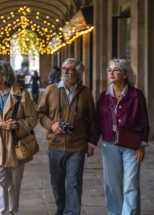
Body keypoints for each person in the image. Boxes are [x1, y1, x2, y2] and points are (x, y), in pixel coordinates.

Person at [89, 59, 150, 215]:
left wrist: (141, 145)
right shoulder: (104, 96)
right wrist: (92, 142)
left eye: (116, 70)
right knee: (112, 185)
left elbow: (143, 120)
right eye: (109, 70)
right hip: (109, 145)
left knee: (131, 184)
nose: (111, 73)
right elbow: (98, 122)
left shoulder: (136, 95)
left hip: (132, 145)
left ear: (125, 74)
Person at [0, 60, 38, 215]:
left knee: (14, 183)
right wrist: (0, 126)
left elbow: (33, 118)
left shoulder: (22, 94)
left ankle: (11, 211)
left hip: (16, 145)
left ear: (4, 74)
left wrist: (18, 124)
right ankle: (1, 212)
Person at [37, 58, 95, 215]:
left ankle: (71, 212)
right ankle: (61, 208)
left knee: (74, 183)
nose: (65, 71)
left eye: (70, 69)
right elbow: (40, 114)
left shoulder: (86, 93)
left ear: (78, 74)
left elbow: (92, 120)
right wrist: (52, 125)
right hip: (55, 145)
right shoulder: (51, 89)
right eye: (64, 68)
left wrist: (91, 143)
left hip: (77, 146)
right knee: (56, 182)